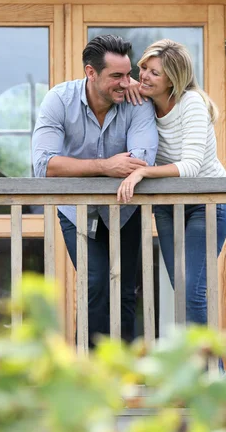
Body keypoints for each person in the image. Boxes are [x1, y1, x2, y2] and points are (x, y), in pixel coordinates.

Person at [32, 34, 158, 346]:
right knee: (96, 283)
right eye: (116, 76)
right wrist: (104, 166)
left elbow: (140, 161)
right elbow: (44, 166)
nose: (125, 82)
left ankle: (123, 378)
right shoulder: (59, 100)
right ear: (91, 73)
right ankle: (88, 376)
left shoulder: (137, 103)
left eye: (127, 74)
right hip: (77, 212)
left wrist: (83, 165)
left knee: (126, 290)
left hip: (127, 210)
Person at [117, 39, 226, 325]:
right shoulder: (143, 103)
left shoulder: (191, 103)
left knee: (192, 294)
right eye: (143, 68)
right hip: (168, 206)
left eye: (155, 73)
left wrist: (142, 172)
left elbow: (191, 166)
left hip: (207, 204)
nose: (144, 75)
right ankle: (197, 367)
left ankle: (210, 370)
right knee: (180, 291)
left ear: (174, 79)